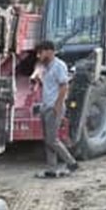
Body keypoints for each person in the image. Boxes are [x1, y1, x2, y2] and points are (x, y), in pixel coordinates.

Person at [31, 40, 78, 178]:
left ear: (50, 51)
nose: (39, 56)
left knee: (52, 140)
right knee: (47, 140)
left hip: (54, 107)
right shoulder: (45, 67)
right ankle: (51, 169)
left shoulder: (59, 66)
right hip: (46, 106)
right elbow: (46, 84)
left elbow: (64, 86)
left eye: (41, 53)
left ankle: (71, 162)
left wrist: (58, 106)